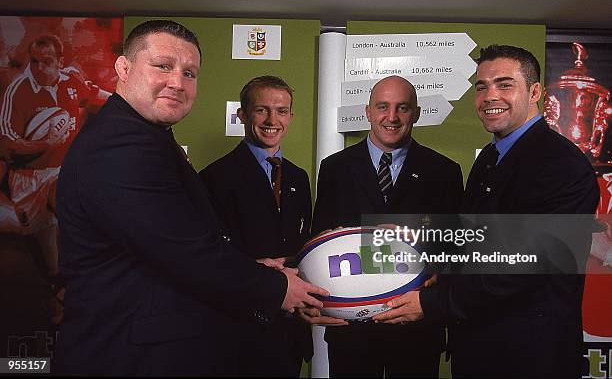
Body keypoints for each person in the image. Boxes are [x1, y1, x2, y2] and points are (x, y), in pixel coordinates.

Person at [54, 20, 327, 376]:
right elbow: (183, 251)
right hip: (126, 354)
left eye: (189, 73)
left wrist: (258, 268)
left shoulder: (146, 137)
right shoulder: (122, 144)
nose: (177, 82)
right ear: (123, 68)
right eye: (162, 66)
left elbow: (173, 243)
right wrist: (276, 287)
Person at [374, 45, 600, 378]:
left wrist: (431, 303)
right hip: (479, 350)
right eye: (482, 86)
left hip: (530, 359)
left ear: (535, 91)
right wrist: (441, 269)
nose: (490, 95)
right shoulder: (490, 158)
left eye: (505, 84)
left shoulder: (561, 165)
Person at [306, 75, 464, 377]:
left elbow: (455, 246)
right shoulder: (335, 168)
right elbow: (321, 240)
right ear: (367, 111)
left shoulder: (444, 171)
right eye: (382, 107)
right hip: (352, 332)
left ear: (416, 114)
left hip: (416, 329)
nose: (391, 117)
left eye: (402, 108)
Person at [199, 75, 313, 376]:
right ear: (243, 115)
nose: (272, 120)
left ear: (290, 116)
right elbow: (207, 259)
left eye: (282, 111)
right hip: (238, 332)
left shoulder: (299, 179)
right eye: (262, 110)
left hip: (290, 332)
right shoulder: (215, 178)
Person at [0, 34, 110, 279]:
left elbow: (97, 95)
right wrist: (43, 144)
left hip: (61, 171)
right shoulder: (18, 91)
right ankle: (57, 294)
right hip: (27, 179)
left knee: (73, 211)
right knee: (49, 264)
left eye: (47, 61)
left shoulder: (70, 81)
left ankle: (97, 272)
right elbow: (7, 144)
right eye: (35, 61)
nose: (39, 68)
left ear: (60, 61)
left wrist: (128, 103)